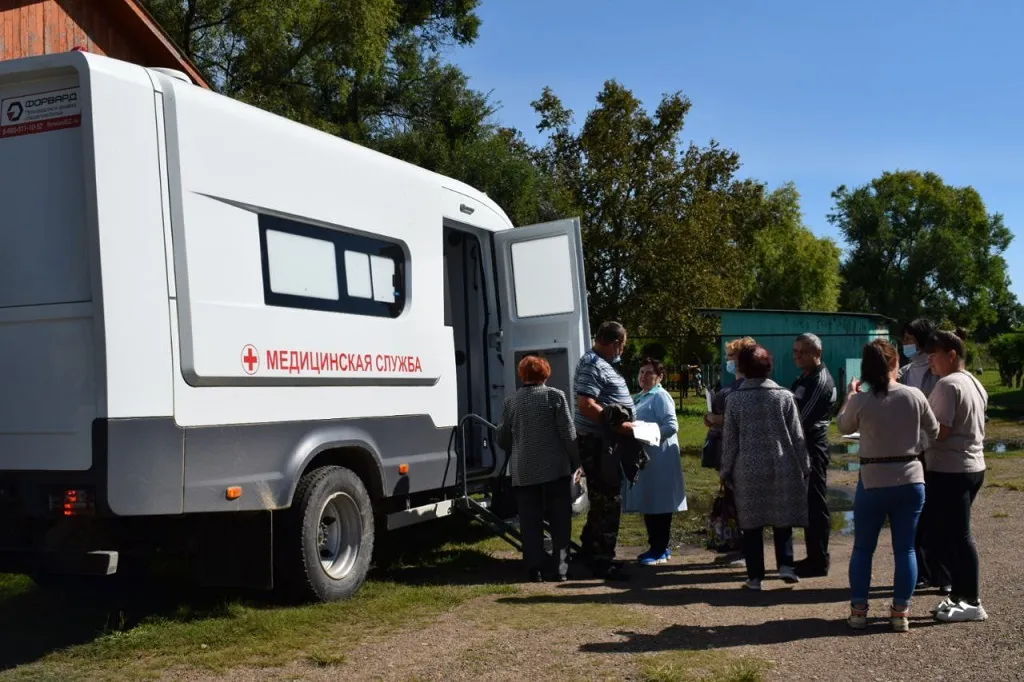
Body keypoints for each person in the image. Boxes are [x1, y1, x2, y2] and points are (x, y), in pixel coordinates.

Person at [837, 339, 939, 632]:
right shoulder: (915, 395)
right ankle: (900, 612)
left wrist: (848, 396)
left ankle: (859, 611)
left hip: (872, 479)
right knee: (905, 548)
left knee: (863, 549)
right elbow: (932, 432)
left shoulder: (861, 400)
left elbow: (844, 426)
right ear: (895, 364)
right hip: (910, 477)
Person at [721, 344, 809, 591]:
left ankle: (755, 577)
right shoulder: (784, 396)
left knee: (751, 524)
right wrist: (805, 466)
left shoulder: (735, 399)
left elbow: (730, 440)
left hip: (747, 469)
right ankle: (786, 566)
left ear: (742, 368)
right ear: (769, 367)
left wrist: (726, 469)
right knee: (782, 517)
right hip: (782, 464)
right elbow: (797, 435)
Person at [925, 330, 989, 622]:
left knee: (959, 536)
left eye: (934, 354)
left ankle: (972, 600)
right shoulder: (974, 382)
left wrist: (914, 434)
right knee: (950, 535)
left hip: (951, 468)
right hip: (973, 466)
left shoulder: (948, 385)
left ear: (952, 354)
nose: (930, 360)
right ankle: (959, 596)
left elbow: (942, 429)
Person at [496, 355, 578, 582]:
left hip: (524, 472)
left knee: (530, 523)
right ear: (546, 373)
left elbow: (502, 439)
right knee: (560, 521)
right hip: (555, 470)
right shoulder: (555, 397)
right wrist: (577, 461)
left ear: (522, 375)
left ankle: (535, 569)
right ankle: (560, 569)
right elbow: (568, 434)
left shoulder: (511, 402)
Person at [573, 321, 635, 581]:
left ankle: (591, 551)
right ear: (614, 343)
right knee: (608, 501)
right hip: (599, 443)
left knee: (602, 500)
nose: (622, 350)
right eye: (622, 345)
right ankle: (602, 560)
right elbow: (587, 404)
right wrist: (618, 426)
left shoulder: (600, 363)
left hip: (606, 443)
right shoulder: (593, 364)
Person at [898, 317, 950, 594]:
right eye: (904, 339)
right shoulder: (906, 372)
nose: (906, 344)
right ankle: (921, 572)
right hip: (913, 449)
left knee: (938, 515)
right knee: (915, 514)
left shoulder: (938, 371)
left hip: (936, 448)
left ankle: (943, 575)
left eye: (910, 339)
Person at [622, 357, 686, 566]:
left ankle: (659, 549)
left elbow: (671, 426)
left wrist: (641, 432)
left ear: (659, 377)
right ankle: (657, 547)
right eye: (642, 372)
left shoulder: (661, 396)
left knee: (659, 504)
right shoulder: (639, 397)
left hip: (660, 457)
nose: (644, 376)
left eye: (650, 373)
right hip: (646, 459)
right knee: (649, 502)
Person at [703, 337, 757, 564]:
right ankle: (736, 544)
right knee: (732, 500)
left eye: (731, 357)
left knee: (744, 501)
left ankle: (747, 551)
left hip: (741, 454)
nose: (728, 361)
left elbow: (745, 419)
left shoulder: (749, 386)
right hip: (725, 450)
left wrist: (717, 418)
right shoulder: (732, 386)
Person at [790, 333, 837, 578]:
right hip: (801, 448)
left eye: (802, 352)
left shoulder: (820, 382)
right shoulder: (804, 377)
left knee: (816, 504)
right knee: (808, 504)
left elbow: (801, 419)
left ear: (816, 353)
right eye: (795, 351)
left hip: (813, 449)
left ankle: (819, 560)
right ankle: (812, 556)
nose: (796, 356)